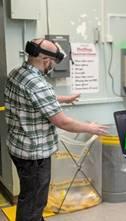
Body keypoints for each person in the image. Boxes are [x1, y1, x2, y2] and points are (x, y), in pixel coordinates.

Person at [4, 38, 108, 221]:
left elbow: (33, 99)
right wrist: (90, 128)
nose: (52, 66)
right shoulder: (38, 84)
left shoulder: (17, 73)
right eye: (52, 62)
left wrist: (63, 99)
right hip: (34, 154)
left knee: (29, 195)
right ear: (45, 60)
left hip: (18, 147)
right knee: (34, 201)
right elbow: (63, 122)